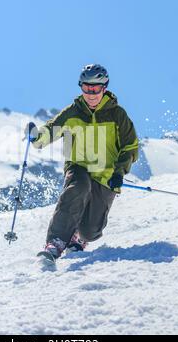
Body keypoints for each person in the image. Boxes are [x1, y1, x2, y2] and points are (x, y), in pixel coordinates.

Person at [25, 64, 139, 260]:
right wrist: (37, 137)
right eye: (87, 88)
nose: (91, 93)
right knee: (78, 187)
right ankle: (56, 242)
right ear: (81, 87)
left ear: (105, 87)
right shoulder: (74, 112)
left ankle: (78, 237)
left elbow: (130, 147)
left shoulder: (117, 114)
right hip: (78, 166)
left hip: (106, 175)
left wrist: (119, 172)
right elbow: (52, 128)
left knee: (91, 231)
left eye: (96, 88)